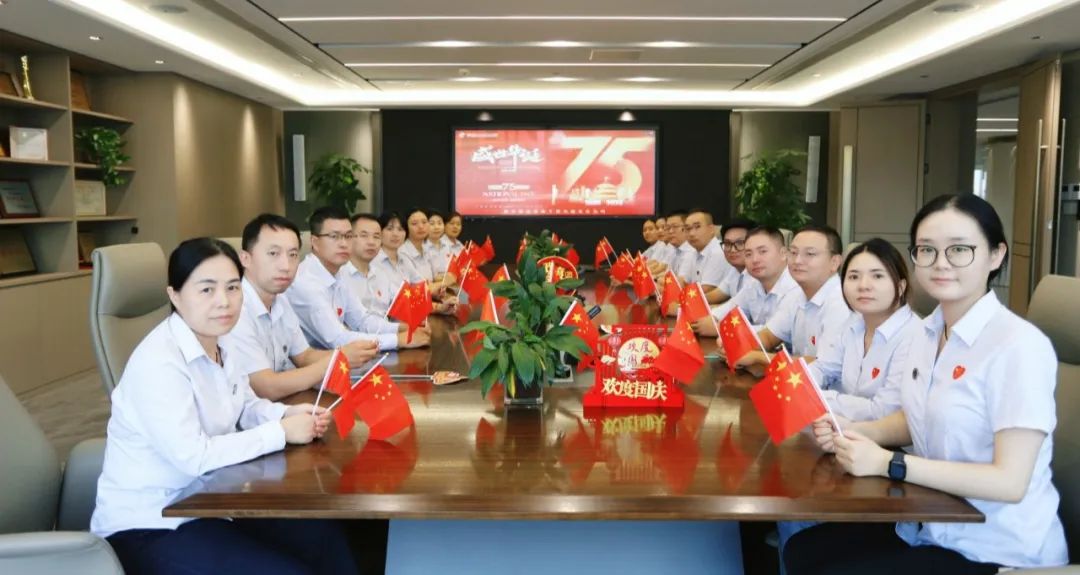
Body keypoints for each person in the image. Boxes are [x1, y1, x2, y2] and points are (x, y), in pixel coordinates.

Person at [787, 194, 1068, 574]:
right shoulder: (928, 331)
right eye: (927, 250)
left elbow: (1010, 481)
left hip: (995, 546)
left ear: (996, 255)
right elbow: (918, 415)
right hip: (928, 520)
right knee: (804, 550)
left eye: (959, 249)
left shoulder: (1017, 345)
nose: (941, 263)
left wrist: (890, 463)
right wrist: (854, 431)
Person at [91, 238, 357, 575]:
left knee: (323, 538)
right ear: (175, 295)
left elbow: (242, 404)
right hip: (151, 522)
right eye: (207, 289)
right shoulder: (158, 362)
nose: (224, 301)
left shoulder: (221, 342)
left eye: (233, 287)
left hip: (214, 500)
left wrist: (285, 414)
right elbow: (194, 456)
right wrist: (279, 432)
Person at [226, 214, 378, 400]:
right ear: (245, 259)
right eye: (273, 254)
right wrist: (337, 359)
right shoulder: (234, 309)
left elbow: (304, 356)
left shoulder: (280, 299)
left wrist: (350, 355)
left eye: (292, 255)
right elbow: (266, 387)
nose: (285, 266)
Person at [287, 207, 430, 352]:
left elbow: (362, 320)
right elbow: (338, 339)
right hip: (317, 362)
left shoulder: (338, 273)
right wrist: (397, 340)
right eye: (335, 236)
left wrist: (402, 328)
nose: (343, 244)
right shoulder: (306, 282)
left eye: (348, 236)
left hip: (340, 358)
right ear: (315, 242)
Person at [809, 238, 920, 421]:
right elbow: (824, 367)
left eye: (877, 276)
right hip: (839, 427)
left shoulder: (915, 336)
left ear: (900, 287)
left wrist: (818, 397)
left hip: (884, 437)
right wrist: (800, 384)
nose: (863, 286)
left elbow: (884, 411)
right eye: (854, 277)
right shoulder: (854, 322)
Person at [736, 225, 851, 367]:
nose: (797, 261)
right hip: (796, 378)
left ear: (834, 262)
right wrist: (741, 346)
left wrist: (758, 357)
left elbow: (824, 365)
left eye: (809, 254)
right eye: (794, 252)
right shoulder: (797, 294)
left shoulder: (841, 302)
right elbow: (769, 336)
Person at [697, 226, 800, 335]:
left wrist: (723, 328)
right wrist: (710, 319)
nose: (755, 260)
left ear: (783, 253)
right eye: (748, 254)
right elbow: (730, 308)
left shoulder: (795, 288)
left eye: (763, 251)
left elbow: (772, 333)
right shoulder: (753, 283)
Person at [350, 212, 454, 317]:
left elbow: (420, 287)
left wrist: (436, 299)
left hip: (404, 318)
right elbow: (397, 302)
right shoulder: (373, 262)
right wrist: (443, 285)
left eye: (400, 229)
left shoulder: (403, 259)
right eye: (389, 229)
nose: (395, 234)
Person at [684, 208, 736, 304]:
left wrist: (681, 300)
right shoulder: (695, 252)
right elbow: (685, 282)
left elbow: (706, 289)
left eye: (697, 227)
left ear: (711, 229)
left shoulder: (718, 251)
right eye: (688, 229)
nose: (691, 233)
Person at [714, 217, 758, 301]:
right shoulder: (735, 270)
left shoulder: (757, 276)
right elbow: (716, 294)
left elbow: (735, 306)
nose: (732, 250)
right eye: (727, 243)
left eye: (740, 243)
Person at [400, 207, 437, 283]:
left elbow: (435, 277)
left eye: (424, 222)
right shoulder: (403, 252)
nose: (421, 226)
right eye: (414, 223)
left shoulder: (426, 247)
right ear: (406, 228)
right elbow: (418, 284)